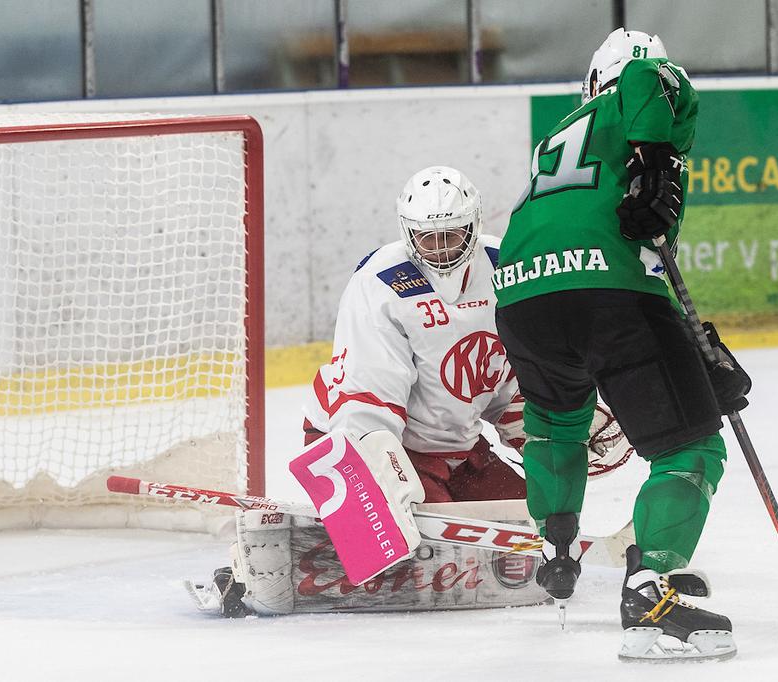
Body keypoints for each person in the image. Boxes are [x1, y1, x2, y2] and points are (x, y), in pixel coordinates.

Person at [204, 166, 629, 618]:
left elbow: (513, 376)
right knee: (419, 542)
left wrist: (554, 429)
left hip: (457, 449)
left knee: (531, 517)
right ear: (409, 234)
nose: (442, 248)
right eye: (429, 238)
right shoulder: (381, 284)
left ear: (475, 223)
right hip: (362, 440)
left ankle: (416, 510)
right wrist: (382, 483)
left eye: (453, 234)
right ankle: (261, 567)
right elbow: (365, 400)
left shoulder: (505, 267)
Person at [494, 29, 749, 661]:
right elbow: (649, 77)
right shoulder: (641, 100)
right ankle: (650, 587)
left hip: (522, 294)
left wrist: (690, 346)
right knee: (690, 446)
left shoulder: (557, 136)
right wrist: (660, 162)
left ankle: (555, 552)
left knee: (555, 423)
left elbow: (605, 234)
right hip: (606, 291)